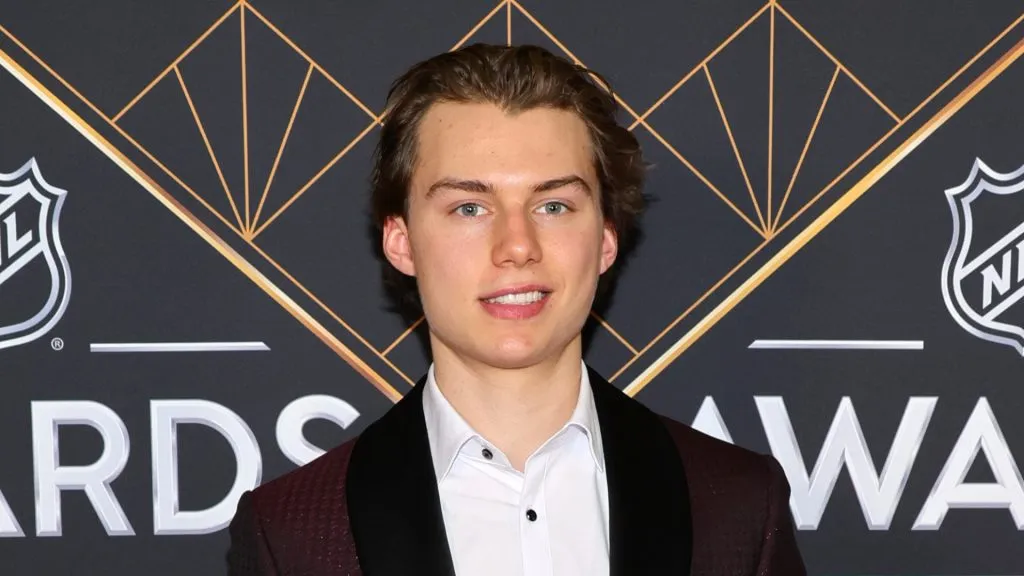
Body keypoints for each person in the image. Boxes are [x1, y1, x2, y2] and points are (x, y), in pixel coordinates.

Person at [227, 43, 805, 576]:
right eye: (469, 208)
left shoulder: (737, 505)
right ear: (401, 241)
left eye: (553, 205)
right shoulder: (293, 532)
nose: (517, 246)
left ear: (606, 238)